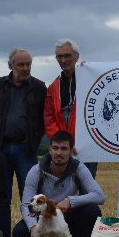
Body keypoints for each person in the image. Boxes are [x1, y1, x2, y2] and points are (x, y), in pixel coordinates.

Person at [0, 47, 47, 237]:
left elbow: (43, 119)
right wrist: (1, 133)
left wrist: (34, 139)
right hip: (1, 148)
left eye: (28, 64)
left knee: (29, 197)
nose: (25, 68)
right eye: (21, 64)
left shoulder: (39, 87)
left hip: (26, 149)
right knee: (1, 195)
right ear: (11, 65)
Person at [14, 130, 104, 237]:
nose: (59, 153)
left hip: (71, 217)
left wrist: (70, 201)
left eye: (64, 148)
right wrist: (33, 226)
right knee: (19, 232)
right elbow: (25, 204)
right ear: (50, 150)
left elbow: (100, 196)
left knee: (93, 211)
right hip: (44, 219)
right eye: (55, 148)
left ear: (71, 151)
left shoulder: (80, 168)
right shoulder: (36, 171)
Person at [44, 38, 96, 176]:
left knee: (86, 190)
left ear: (77, 56)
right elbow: (49, 118)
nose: (64, 60)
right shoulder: (53, 87)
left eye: (67, 55)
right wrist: (61, 142)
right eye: (60, 56)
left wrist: (90, 70)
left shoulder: (91, 80)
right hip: (63, 148)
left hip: (86, 147)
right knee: (62, 188)